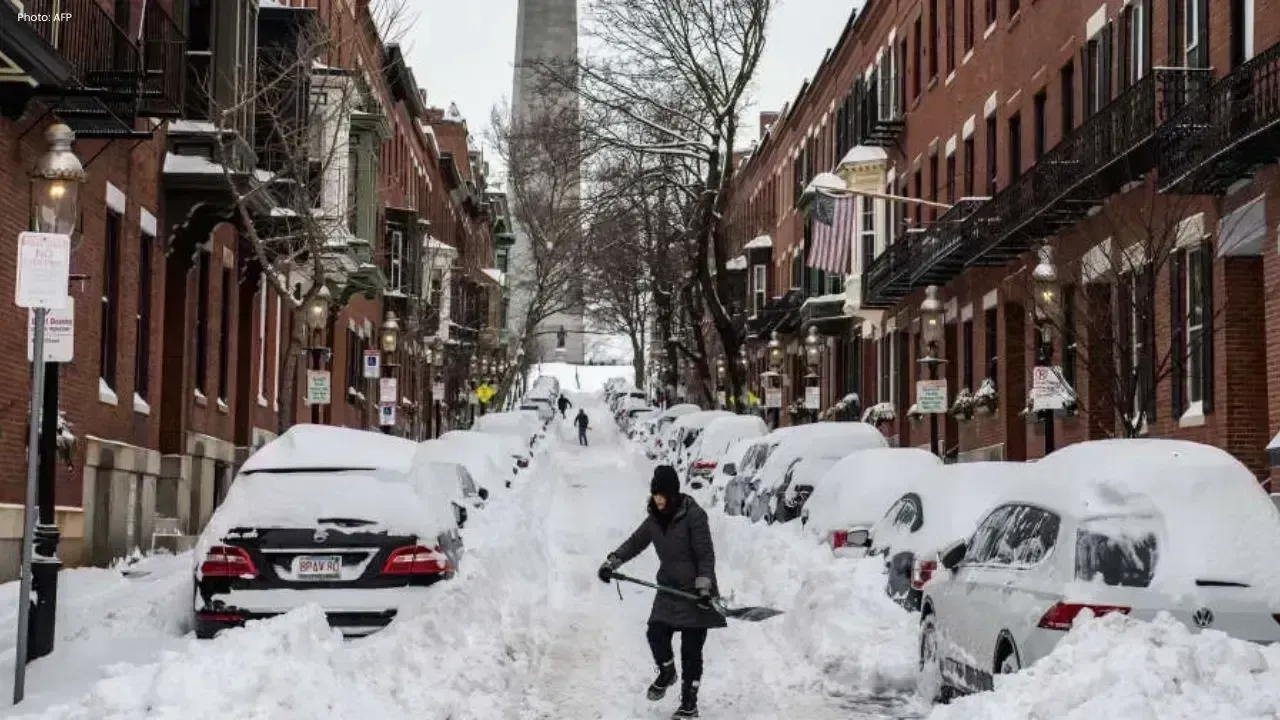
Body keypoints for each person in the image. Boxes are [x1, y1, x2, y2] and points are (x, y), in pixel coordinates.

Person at [597, 466, 724, 718]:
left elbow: (705, 554)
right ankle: (667, 672)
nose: (658, 499)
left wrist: (704, 587)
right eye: (655, 494)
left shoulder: (694, 516)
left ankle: (689, 705)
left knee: (691, 651)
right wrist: (612, 561)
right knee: (656, 632)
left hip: (697, 591)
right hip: (669, 588)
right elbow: (636, 542)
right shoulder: (654, 518)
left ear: (673, 493)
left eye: (663, 494)